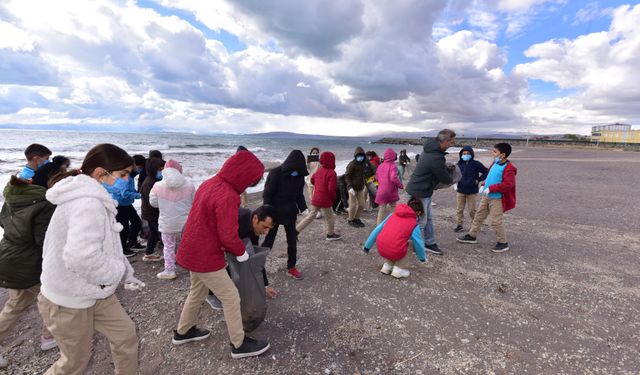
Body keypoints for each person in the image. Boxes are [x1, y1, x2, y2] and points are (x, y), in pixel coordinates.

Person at [37, 143, 143, 374]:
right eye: (123, 174)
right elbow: (81, 257)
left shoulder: (92, 195)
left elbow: (107, 247)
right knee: (74, 363)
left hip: (96, 291)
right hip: (68, 298)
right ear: (99, 173)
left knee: (125, 336)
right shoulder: (88, 203)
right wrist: (116, 273)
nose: (126, 179)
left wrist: (126, 272)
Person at [173, 150, 270, 360]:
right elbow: (227, 236)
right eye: (251, 181)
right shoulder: (228, 196)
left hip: (190, 248)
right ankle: (239, 343)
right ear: (243, 175)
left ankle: (183, 331)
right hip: (205, 255)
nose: (249, 186)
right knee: (231, 297)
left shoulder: (210, 183)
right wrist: (241, 252)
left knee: (197, 292)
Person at [0, 175, 57, 369]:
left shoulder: (10, 199)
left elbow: (3, 224)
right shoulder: (44, 204)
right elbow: (44, 241)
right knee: (51, 300)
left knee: (16, 303)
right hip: (28, 261)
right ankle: (49, 337)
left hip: (7, 255)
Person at [206, 205, 279, 310]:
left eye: (269, 229)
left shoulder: (254, 230)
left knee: (239, 260)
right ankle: (209, 294)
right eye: (265, 227)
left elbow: (254, 258)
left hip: (225, 240)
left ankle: (207, 289)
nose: (266, 232)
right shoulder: (237, 219)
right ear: (255, 219)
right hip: (207, 237)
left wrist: (264, 286)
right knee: (213, 266)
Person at [457, 143, 517, 253]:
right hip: (487, 196)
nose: (492, 153)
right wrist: (484, 184)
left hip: (497, 198)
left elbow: (509, 184)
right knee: (478, 216)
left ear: (502, 154)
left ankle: (503, 243)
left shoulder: (509, 168)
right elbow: (489, 176)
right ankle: (472, 235)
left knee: (495, 221)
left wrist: (492, 188)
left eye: (495, 152)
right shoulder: (495, 163)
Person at [405, 129, 456, 256]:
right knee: (420, 221)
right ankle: (415, 246)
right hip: (418, 192)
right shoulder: (435, 157)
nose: (453, 144)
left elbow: (435, 169)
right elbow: (446, 179)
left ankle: (429, 242)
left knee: (427, 219)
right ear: (445, 141)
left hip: (423, 191)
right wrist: (451, 174)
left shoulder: (430, 150)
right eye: (452, 141)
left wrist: (444, 168)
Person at [261, 150, 308, 280]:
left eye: (299, 170)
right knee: (269, 241)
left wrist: (304, 208)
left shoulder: (299, 176)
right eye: (295, 170)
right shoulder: (275, 173)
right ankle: (257, 265)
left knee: (292, 241)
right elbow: (267, 195)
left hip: (290, 213)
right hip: (274, 213)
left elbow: (299, 195)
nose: (296, 173)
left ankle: (291, 267)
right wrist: (267, 213)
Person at [150, 159, 195, 280]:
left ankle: (169, 270)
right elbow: (194, 202)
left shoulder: (157, 185)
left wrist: (165, 203)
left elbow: (153, 203)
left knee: (168, 246)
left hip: (167, 223)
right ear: (179, 171)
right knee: (188, 245)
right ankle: (193, 268)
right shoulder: (189, 185)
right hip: (185, 224)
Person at [363, 197, 427, 278]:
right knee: (410, 244)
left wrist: (367, 246)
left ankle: (387, 266)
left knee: (394, 239)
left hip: (381, 248)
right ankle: (398, 270)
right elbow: (418, 242)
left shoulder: (392, 214)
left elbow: (377, 229)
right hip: (393, 250)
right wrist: (422, 257)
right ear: (418, 212)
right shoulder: (414, 224)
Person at [104, 155, 145, 257]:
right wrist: (138, 195)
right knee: (125, 227)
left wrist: (134, 191)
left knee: (136, 222)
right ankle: (123, 249)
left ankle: (131, 243)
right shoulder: (125, 177)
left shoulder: (127, 174)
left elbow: (120, 189)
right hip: (120, 205)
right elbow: (124, 193)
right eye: (139, 167)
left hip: (125, 204)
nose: (140, 170)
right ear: (133, 166)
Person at [296, 151, 342, 241]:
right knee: (330, 217)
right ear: (332, 161)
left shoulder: (319, 171)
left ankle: (295, 231)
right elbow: (331, 189)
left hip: (316, 197)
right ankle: (330, 234)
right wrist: (332, 199)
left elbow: (312, 180)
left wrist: (320, 185)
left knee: (310, 216)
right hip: (325, 199)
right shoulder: (332, 173)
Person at [454, 146, 489, 233]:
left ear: (472, 154)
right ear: (461, 155)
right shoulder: (458, 164)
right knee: (459, 209)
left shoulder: (476, 164)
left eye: (468, 154)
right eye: (464, 154)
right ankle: (459, 225)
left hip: (472, 192)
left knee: (472, 210)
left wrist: (479, 179)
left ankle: (474, 226)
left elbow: (486, 172)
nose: (465, 155)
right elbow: (454, 174)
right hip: (460, 190)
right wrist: (454, 183)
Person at [140, 157, 164, 262]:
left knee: (154, 233)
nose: (162, 172)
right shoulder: (149, 183)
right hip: (152, 213)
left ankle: (148, 253)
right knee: (161, 234)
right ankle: (170, 255)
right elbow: (152, 202)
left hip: (151, 213)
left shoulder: (154, 180)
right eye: (160, 169)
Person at [344, 147, 372, 228]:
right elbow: (347, 176)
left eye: (362, 155)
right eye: (358, 156)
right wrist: (349, 187)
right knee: (352, 205)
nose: (360, 157)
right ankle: (350, 219)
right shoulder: (351, 164)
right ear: (355, 156)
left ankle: (356, 218)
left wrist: (366, 181)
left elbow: (365, 173)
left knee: (362, 204)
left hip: (360, 187)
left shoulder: (364, 164)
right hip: (352, 188)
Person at [375, 148, 404, 225]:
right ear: (393, 156)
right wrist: (400, 185)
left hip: (381, 191)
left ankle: (378, 227)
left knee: (381, 209)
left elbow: (376, 178)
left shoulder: (380, 166)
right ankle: (396, 224)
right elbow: (393, 177)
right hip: (390, 191)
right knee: (393, 207)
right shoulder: (393, 166)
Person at [306, 147, 321, 218]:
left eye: (316, 153)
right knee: (311, 196)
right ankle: (314, 211)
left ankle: (318, 211)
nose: (315, 154)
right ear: (311, 153)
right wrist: (307, 162)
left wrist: (320, 162)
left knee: (317, 196)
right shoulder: (309, 161)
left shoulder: (320, 161)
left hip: (318, 180)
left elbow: (322, 169)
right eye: (313, 153)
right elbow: (307, 169)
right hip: (310, 180)